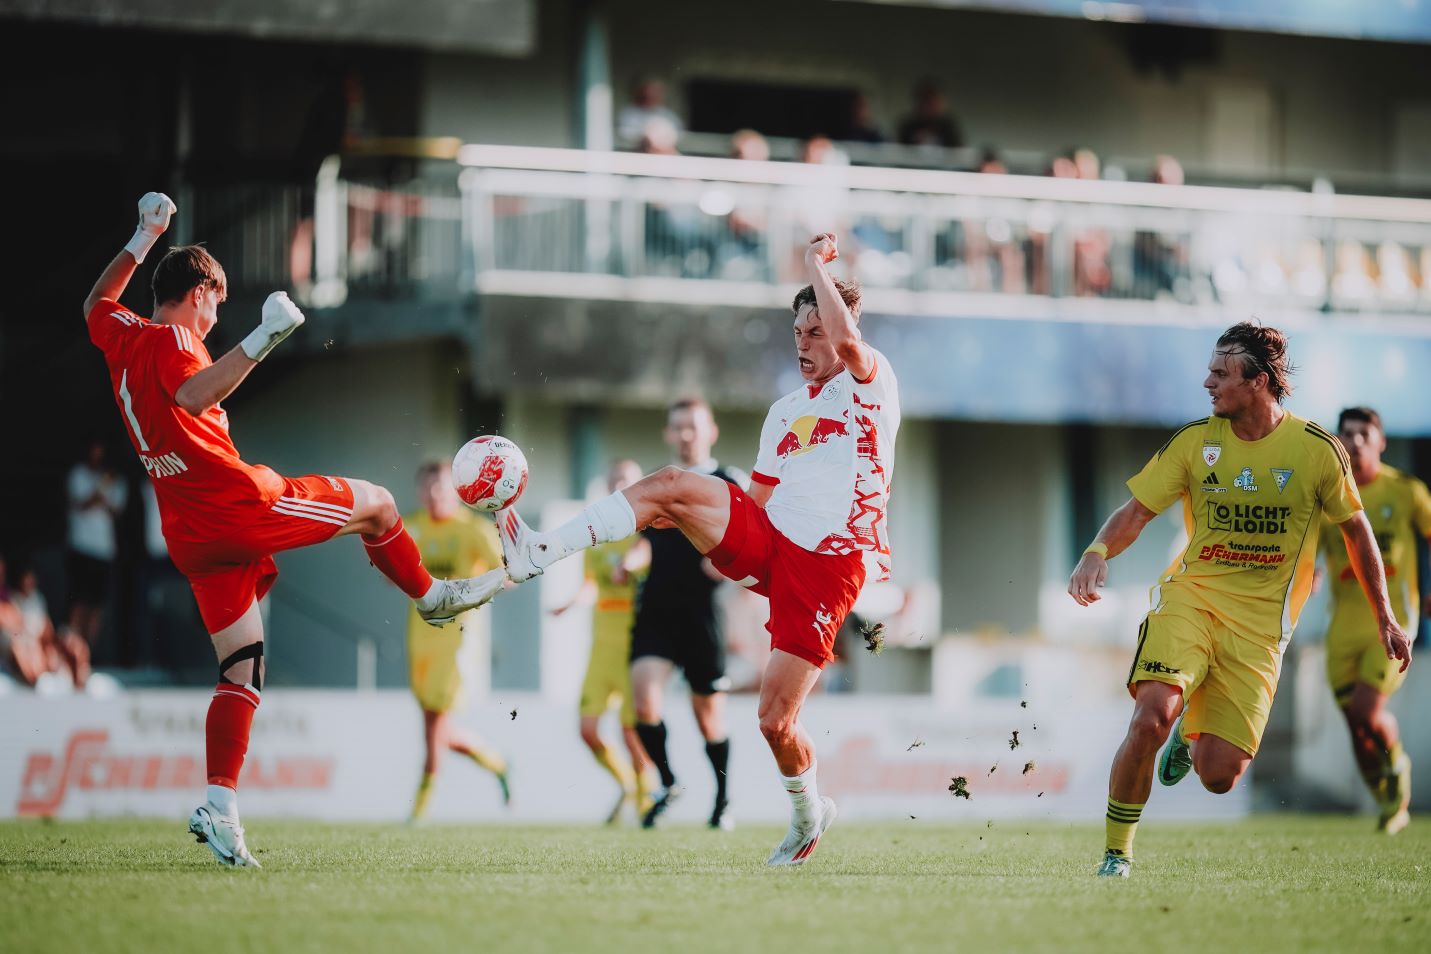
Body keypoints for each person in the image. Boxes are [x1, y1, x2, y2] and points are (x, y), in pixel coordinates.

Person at [83, 193, 505, 867]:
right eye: (216, 303)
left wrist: (142, 235)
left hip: (189, 530)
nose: (217, 317)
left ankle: (219, 807)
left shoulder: (124, 334)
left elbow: (94, 304)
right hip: (240, 505)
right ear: (197, 294)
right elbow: (194, 395)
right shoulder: (173, 339)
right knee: (380, 504)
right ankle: (432, 597)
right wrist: (263, 336)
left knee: (242, 669)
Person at [497, 233, 899, 865]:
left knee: (774, 722)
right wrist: (688, 521)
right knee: (669, 486)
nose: (804, 342)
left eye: (815, 330)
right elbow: (756, 501)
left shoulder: (870, 381)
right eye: (797, 330)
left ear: (842, 327)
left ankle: (806, 813)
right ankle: (538, 551)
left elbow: (848, 343)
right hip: (773, 544)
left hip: (831, 565)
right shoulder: (784, 413)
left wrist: (817, 267)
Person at [1067, 323, 1411, 879]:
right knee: (1150, 716)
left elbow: (1356, 533)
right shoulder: (1194, 442)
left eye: (1221, 373)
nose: (1207, 382)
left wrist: (1386, 617)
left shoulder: (1317, 451)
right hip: (1191, 600)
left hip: (1259, 630)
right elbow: (1135, 511)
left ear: (1260, 381)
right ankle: (1116, 853)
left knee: (1220, 775)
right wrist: (1096, 550)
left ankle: (1191, 734)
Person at [629, 399, 746, 831]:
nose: (685, 435)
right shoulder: (657, 482)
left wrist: (726, 561)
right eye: (677, 427)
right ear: (668, 433)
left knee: (708, 716)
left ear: (710, 431)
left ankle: (722, 800)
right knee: (644, 698)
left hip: (703, 615)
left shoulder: (730, 481)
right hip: (657, 608)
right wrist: (633, 561)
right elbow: (643, 537)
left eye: (693, 427)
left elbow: (756, 535)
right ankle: (668, 781)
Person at [1319, 407, 1428, 834]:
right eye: (1347, 434)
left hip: (1394, 620)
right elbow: (1310, 550)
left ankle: (1397, 764)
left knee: (1366, 710)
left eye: (1365, 434)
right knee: (1356, 728)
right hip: (1342, 624)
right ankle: (1386, 796)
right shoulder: (1328, 496)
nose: (1356, 441)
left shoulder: (1406, 491)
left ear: (1381, 441)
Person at [405, 460, 512, 822]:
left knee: (435, 726)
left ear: (454, 491)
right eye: (428, 487)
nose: (434, 494)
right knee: (434, 727)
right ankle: (498, 764)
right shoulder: (412, 527)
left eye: (441, 487)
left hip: (457, 639)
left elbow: (509, 574)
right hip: (420, 636)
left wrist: (475, 590)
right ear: (420, 492)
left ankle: (418, 813)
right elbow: (391, 574)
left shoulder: (473, 530)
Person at [552, 459, 657, 824]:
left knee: (632, 734)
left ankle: (646, 809)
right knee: (588, 730)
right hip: (601, 647)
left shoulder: (646, 531)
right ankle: (627, 785)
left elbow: (640, 557)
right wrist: (571, 603)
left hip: (632, 646)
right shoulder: (598, 535)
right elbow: (590, 585)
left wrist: (629, 564)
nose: (618, 487)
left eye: (625, 481)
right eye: (613, 481)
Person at [64, 439, 126, 684]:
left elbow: (115, 510)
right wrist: (100, 491)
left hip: (104, 551)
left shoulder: (114, 479)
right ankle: (69, 654)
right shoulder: (78, 474)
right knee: (78, 604)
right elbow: (80, 503)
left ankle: (87, 657)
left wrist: (101, 495)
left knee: (96, 606)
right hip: (81, 547)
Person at [896, 78, 962, 149]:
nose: (930, 106)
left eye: (934, 101)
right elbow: (900, 151)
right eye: (926, 101)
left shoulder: (948, 126)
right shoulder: (908, 127)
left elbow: (958, 151)